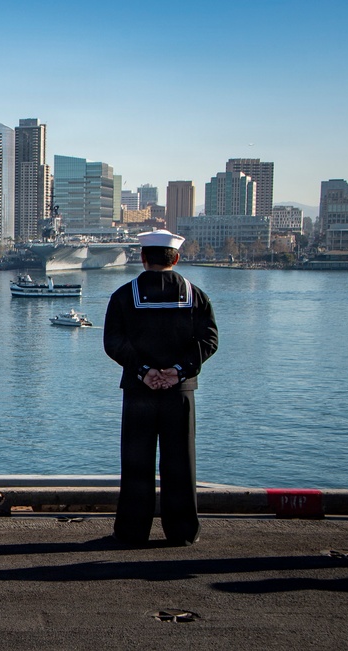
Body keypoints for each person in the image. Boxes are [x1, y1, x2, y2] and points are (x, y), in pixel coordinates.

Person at [103, 229, 218, 546]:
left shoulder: (124, 296)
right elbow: (209, 341)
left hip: (139, 392)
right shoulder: (195, 295)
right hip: (179, 394)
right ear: (176, 258)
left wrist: (144, 371)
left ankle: (132, 531)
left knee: (137, 462)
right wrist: (177, 371)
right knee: (180, 462)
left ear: (142, 257)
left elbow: (113, 342)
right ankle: (181, 531)